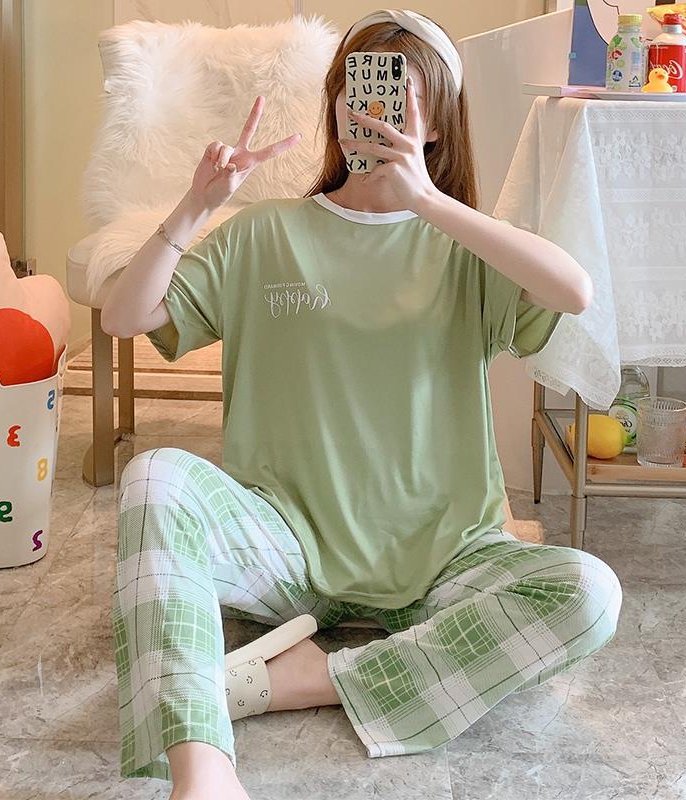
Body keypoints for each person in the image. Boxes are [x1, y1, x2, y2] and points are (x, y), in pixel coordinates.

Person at [100, 9, 622, 800]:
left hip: (444, 556)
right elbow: (123, 316)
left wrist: (430, 202)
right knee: (154, 477)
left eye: (399, 99)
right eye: (357, 91)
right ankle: (202, 772)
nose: (371, 111)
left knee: (588, 594)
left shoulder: (466, 245)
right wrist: (194, 208)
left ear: (437, 124)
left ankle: (304, 678)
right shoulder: (264, 235)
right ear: (335, 105)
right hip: (285, 544)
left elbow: (574, 291)